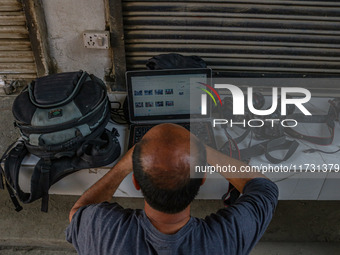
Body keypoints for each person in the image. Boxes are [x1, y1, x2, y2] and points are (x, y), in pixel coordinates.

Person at [66, 123, 278, 255]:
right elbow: (264, 189)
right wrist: (202, 151)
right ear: (202, 178)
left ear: (136, 182)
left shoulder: (103, 232)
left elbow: (79, 212)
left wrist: (124, 165)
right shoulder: (225, 239)